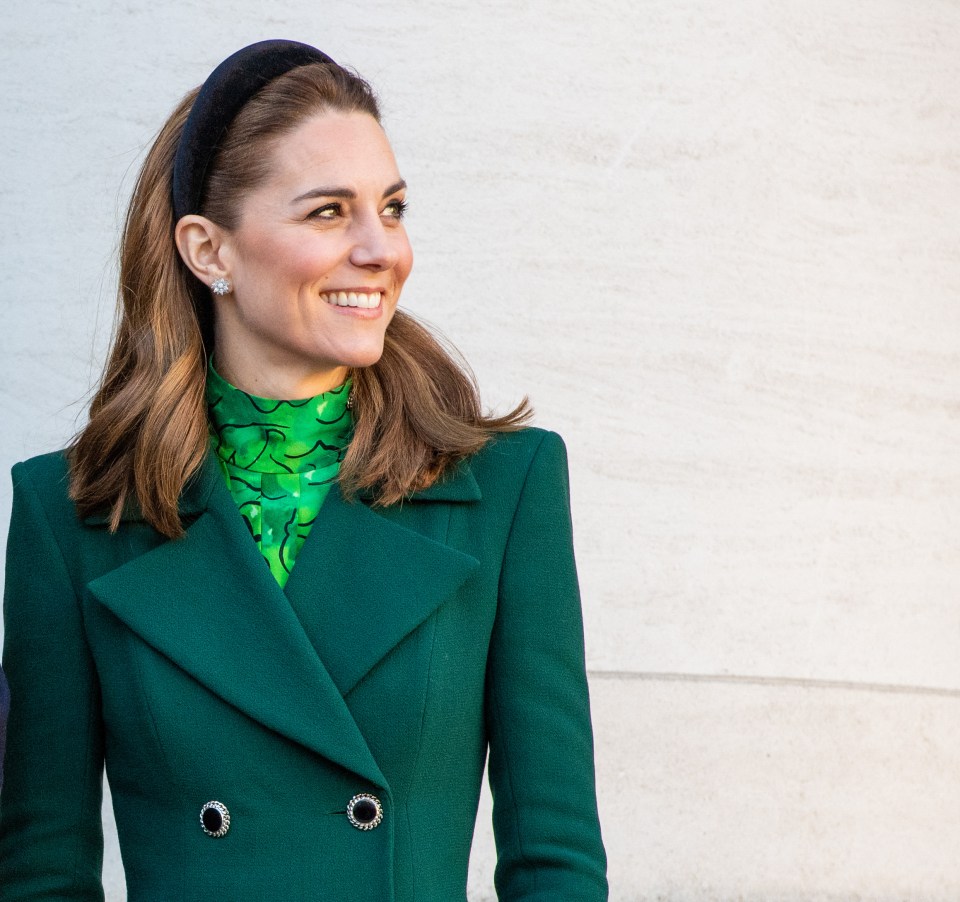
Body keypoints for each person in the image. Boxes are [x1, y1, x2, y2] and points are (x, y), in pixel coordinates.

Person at [0, 40, 607, 901]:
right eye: (328, 213)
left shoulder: (505, 489)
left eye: (391, 209)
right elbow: (40, 871)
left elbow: (557, 862)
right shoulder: (72, 518)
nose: (380, 250)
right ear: (209, 251)